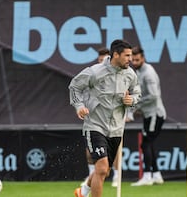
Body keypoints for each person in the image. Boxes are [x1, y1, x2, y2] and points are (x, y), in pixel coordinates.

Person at [70, 39, 141, 197]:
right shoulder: (95, 71)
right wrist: (79, 106)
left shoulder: (130, 74)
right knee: (101, 169)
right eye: (127, 55)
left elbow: (137, 93)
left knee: (105, 170)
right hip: (95, 126)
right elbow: (75, 86)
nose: (130, 59)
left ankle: (83, 191)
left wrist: (132, 100)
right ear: (115, 54)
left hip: (116, 129)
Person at [129, 46, 166, 186]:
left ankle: (147, 176)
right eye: (133, 59)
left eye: (137, 59)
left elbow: (153, 96)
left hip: (155, 114)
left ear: (143, 58)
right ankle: (156, 175)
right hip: (148, 114)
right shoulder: (137, 72)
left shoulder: (148, 73)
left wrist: (135, 106)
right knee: (148, 144)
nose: (134, 62)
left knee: (145, 144)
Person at [80, 47, 110, 187]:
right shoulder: (92, 73)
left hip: (111, 121)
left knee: (106, 167)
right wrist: (82, 107)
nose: (101, 63)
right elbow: (79, 90)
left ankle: (114, 176)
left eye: (103, 60)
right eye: (99, 60)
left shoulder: (118, 75)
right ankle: (89, 177)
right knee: (93, 153)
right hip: (93, 119)